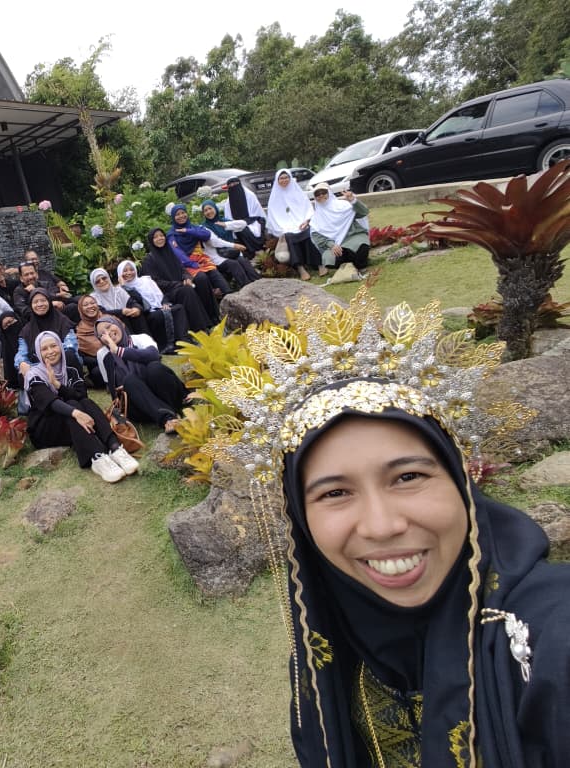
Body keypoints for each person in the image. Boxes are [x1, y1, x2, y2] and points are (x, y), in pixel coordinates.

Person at [206, 285, 570, 767]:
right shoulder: (324, 643)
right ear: (300, 518)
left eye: (409, 477)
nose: (382, 526)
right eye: (335, 493)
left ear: (461, 480)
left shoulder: (547, 633)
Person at [24, 330, 139, 483]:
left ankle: (115, 447)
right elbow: (49, 402)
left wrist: (58, 385)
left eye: (54, 346)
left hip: (69, 424)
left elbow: (81, 395)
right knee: (72, 405)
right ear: (39, 353)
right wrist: (76, 413)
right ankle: (97, 458)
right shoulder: (34, 375)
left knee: (84, 402)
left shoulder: (70, 370)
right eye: (44, 349)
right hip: (45, 429)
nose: (50, 351)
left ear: (60, 346)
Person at [94, 316, 185, 435]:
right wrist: (123, 388)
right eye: (102, 334)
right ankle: (168, 418)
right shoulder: (102, 355)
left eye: (108, 326)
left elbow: (153, 355)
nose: (107, 333)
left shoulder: (141, 338)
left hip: (162, 391)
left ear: (120, 324)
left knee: (154, 368)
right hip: (141, 403)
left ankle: (171, 411)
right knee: (129, 380)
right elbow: (111, 387)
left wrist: (118, 351)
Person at [142, 227, 219, 329]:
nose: (160, 238)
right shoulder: (149, 260)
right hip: (167, 292)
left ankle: (214, 317)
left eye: (161, 235)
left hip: (180, 285)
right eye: (155, 237)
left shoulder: (170, 252)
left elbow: (182, 269)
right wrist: (179, 284)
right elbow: (155, 282)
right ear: (151, 241)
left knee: (201, 279)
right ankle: (201, 327)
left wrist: (187, 278)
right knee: (186, 291)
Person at [116, 260, 189, 354]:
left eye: (131, 269)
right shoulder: (120, 290)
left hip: (158, 307)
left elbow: (160, 294)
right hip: (144, 314)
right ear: (120, 274)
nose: (129, 273)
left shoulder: (145, 281)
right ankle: (167, 346)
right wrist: (124, 286)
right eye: (125, 271)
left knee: (178, 308)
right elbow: (137, 300)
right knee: (158, 316)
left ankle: (183, 341)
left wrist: (164, 303)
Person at [166, 203, 233, 299]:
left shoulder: (193, 227)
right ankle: (212, 302)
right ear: (173, 217)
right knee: (202, 277)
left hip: (201, 260)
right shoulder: (171, 235)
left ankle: (230, 296)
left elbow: (207, 235)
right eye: (177, 214)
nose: (181, 216)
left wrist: (188, 231)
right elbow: (178, 254)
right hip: (186, 265)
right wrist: (193, 264)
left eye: (183, 213)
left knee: (213, 272)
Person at [266, 169, 322, 280]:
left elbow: (308, 209)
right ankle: (301, 269)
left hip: (301, 223)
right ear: (277, 180)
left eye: (286, 177)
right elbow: (273, 217)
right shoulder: (274, 197)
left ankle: (320, 265)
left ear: (290, 178)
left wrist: (306, 221)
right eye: (281, 178)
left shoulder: (298, 192)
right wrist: (282, 228)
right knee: (289, 236)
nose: (284, 180)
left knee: (308, 233)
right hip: (285, 227)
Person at [16, 288, 82, 378]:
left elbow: (71, 344)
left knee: (70, 355)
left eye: (43, 300)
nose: (40, 304)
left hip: (63, 361)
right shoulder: (27, 330)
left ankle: (75, 385)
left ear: (49, 302)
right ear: (31, 305)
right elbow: (22, 352)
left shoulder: (62, 321)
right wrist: (22, 362)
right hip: (41, 368)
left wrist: (51, 356)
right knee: (22, 370)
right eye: (35, 302)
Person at [309, 183, 371, 274]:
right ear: (315, 197)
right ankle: (351, 265)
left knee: (361, 247)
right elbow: (317, 236)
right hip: (335, 244)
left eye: (323, 192)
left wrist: (353, 201)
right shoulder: (316, 217)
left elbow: (364, 212)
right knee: (329, 259)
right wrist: (332, 245)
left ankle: (360, 266)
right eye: (317, 194)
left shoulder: (343, 205)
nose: (321, 195)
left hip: (353, 236)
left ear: (329, 193)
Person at [199, 199, 262, 288]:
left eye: (210, 208)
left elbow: (243, 224)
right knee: (233, 264)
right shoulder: (204, 227)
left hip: (231, 252)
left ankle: (259, 284)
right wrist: (234, 245)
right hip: (218, 256)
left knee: (243, 261)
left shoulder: (223, 221)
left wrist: (226, 225)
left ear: (215, 208)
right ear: (203, 213)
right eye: (205, 210)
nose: (208, 212)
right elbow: (215, 242)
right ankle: (247, 288)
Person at [12, 261, 79, 323]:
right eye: (26, 275)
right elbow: (25, 312)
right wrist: (48, 304)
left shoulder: (45, 284)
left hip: (56, 314)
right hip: (38, 321)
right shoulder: (18, 292)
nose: (30, 277)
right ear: (21, 278)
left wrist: (35, 289)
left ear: (37, 274)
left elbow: (56, 297)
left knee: (75, 304)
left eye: (32, 273)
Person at [75, 294, 117, 388]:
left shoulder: (110, 319)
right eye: (85, 305)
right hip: (100, 365)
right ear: (80, 309)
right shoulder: (80, 330)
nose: (90, 306)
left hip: (120, 356)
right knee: (97, 372)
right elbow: (84, 358)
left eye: (92, 303)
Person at [89, 268, 148, 335]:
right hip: (110, 326)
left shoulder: (118, 290)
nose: (102, 281)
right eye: (97, 281)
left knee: (137, 315)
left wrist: (137, 308)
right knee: (121, 318)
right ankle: (129, 341)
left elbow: (132, 302)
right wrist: (121, 312)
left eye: (104, 278)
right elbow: (102, 313)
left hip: (129, 321)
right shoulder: (93, 298)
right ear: (94, 285)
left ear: (108, 278)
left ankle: (146, 340)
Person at [221, 176, 267, 254]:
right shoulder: (228, 203)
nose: (233, 187)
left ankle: (257, 249)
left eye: (235, 184)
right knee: (240, 229)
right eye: (230, 185)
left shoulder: (250, 196)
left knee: (248, 229)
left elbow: (257, 213)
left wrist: (245, 222)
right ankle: (252, 252)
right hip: (238, 223)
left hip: (254, 220)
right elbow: (229, 218)